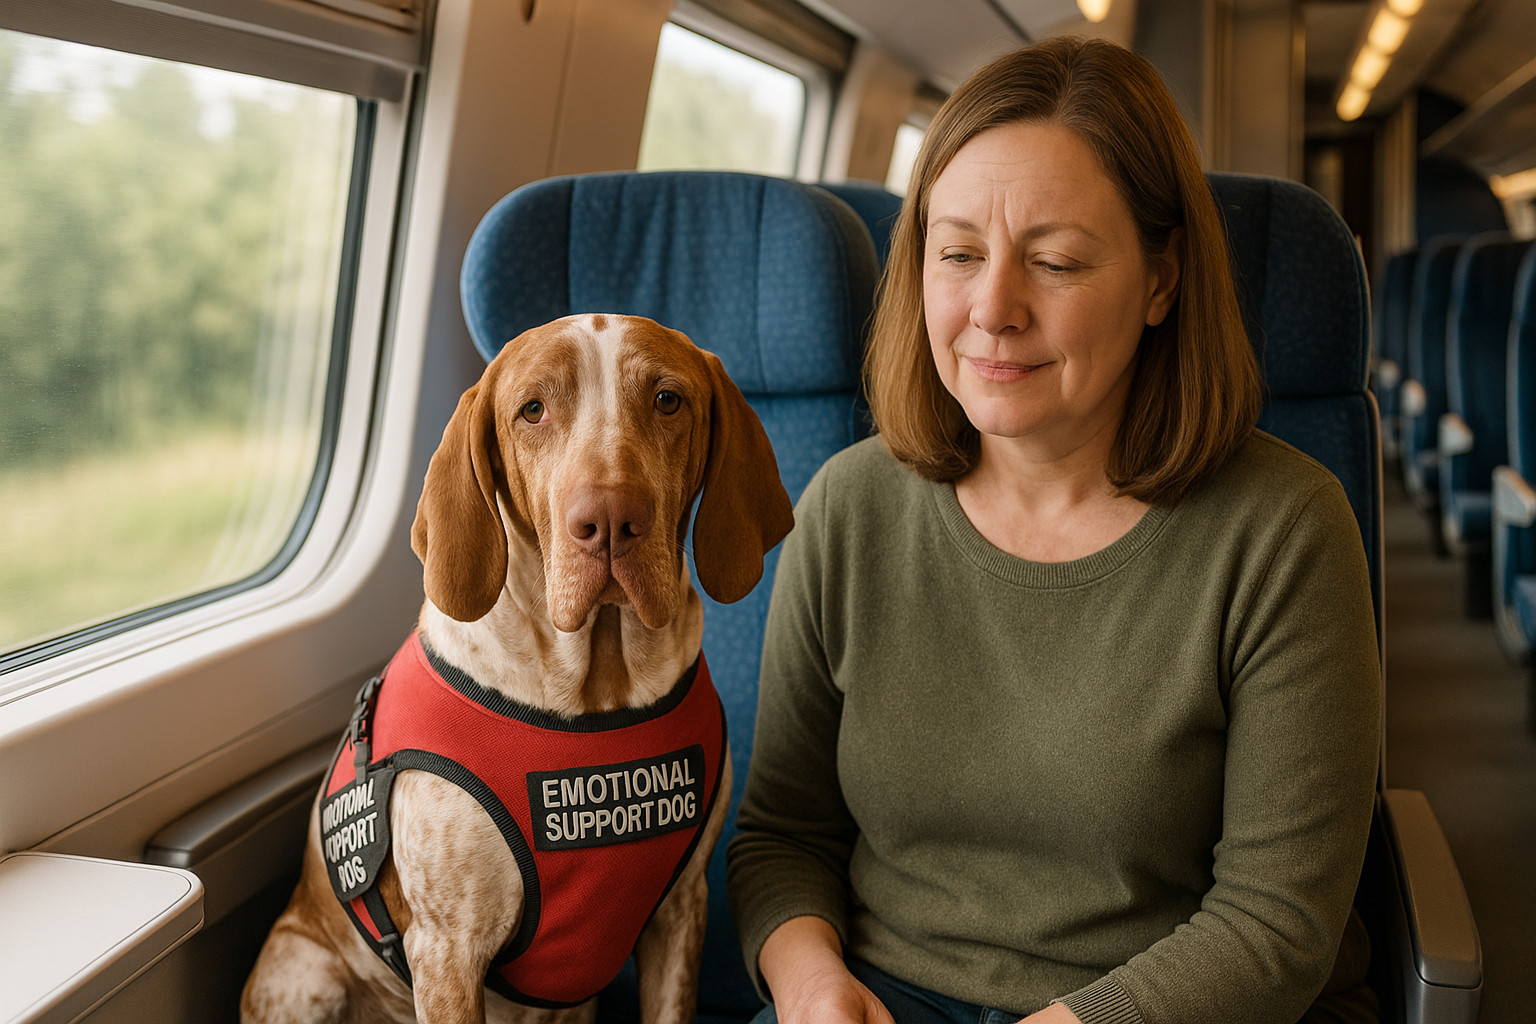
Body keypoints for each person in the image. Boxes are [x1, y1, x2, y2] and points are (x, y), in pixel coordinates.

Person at [724, 36, 1381, 1024]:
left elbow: (1275, 920)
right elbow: (782, 835)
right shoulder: (848, 508)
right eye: (957, 254)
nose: (993, 309)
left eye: (1056, 261)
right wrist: (813, 983)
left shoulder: (1282, 531)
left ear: (1161, 281)